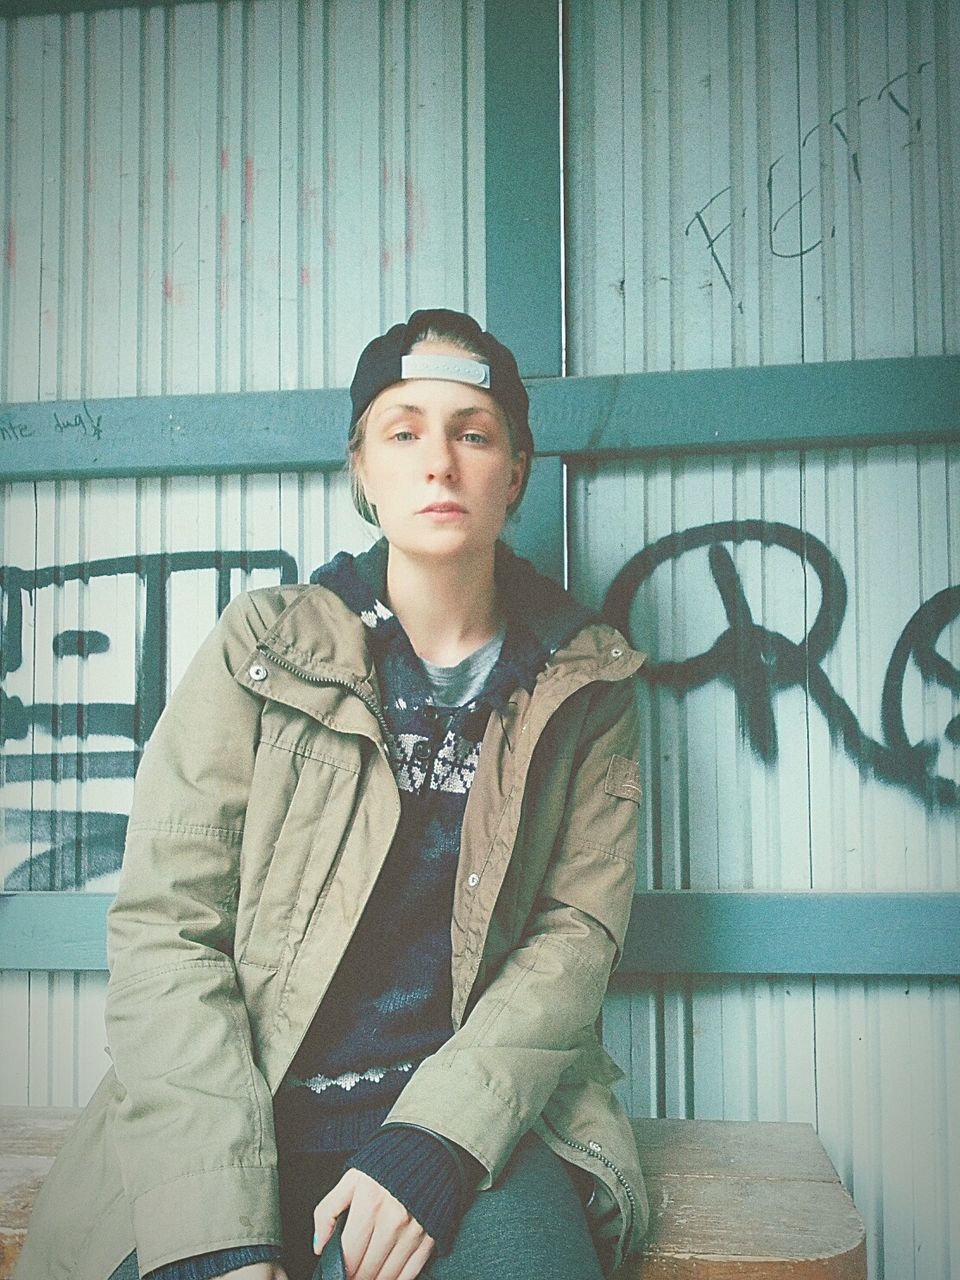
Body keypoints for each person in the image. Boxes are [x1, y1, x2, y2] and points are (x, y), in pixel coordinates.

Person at [14, 308, 649, 1280]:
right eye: (403, 430)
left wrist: (440, 1137)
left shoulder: (586, 679)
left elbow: (575, 937)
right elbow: (165, 926)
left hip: (468, 1108)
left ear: (515, 470)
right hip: (241, 1099)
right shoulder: (259, 648)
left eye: (472, 433)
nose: (438, 461)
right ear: (362, 468)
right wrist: (212, 1214)